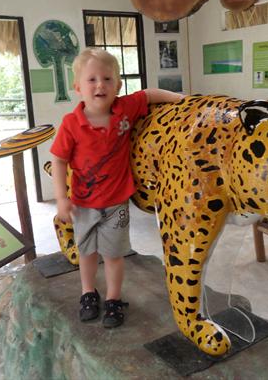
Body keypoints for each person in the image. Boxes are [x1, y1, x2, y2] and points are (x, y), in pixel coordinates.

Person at [50, 48, 183, 328]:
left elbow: (147, 94)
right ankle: (88, 292)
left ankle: (113, 298)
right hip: (83, 203)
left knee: (114, 255)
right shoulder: (71, 124)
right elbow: (59, 161)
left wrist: (179, 99)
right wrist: (61, 197)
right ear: (78, 88)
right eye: (92, 79)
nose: (101, 85)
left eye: (108, 79)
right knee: (86, 253)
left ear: (118, 85)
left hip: (116, 204)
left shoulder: (125, 108)